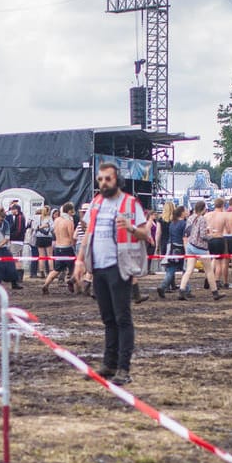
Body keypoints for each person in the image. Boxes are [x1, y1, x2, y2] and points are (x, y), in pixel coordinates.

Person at [72, 163, 152, 383]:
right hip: (98, 268)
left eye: (108, 179)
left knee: (122, 318)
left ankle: (123, 369)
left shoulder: (130, 203)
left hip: (120, 267)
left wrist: (131, 228)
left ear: (117, 180)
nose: (103, 183)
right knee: (108, 319)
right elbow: (87, 234)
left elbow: (147, 234)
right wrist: (79, 261)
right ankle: (109, 364)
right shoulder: (96, 203)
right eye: (100, 179)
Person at [41, 203, 77, 294]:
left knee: (56, 269)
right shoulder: (69, 221)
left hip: (58, 247)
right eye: (72, 211)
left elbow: (54, 231)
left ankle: (46, 285)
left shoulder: (57, 220)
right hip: (67, 247)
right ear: (69, 211)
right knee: (75, 268)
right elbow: (71, 236)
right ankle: (73, 284)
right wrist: (74, 245)